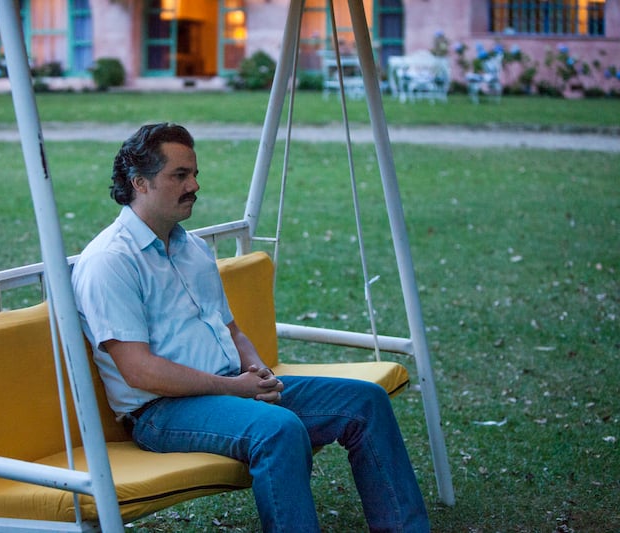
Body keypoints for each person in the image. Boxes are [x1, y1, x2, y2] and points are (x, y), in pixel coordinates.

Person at [71, 123, 429, 532]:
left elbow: (232, 330)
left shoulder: (192, 249)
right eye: (180, 175)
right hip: (160, 410)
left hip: (232, 388)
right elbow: (139, 371)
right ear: (140, 182)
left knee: (365, 402)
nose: (194, 185)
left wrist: (260, 373)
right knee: (278, 430)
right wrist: (236, 388)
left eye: (195, 173)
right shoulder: (111, 260)